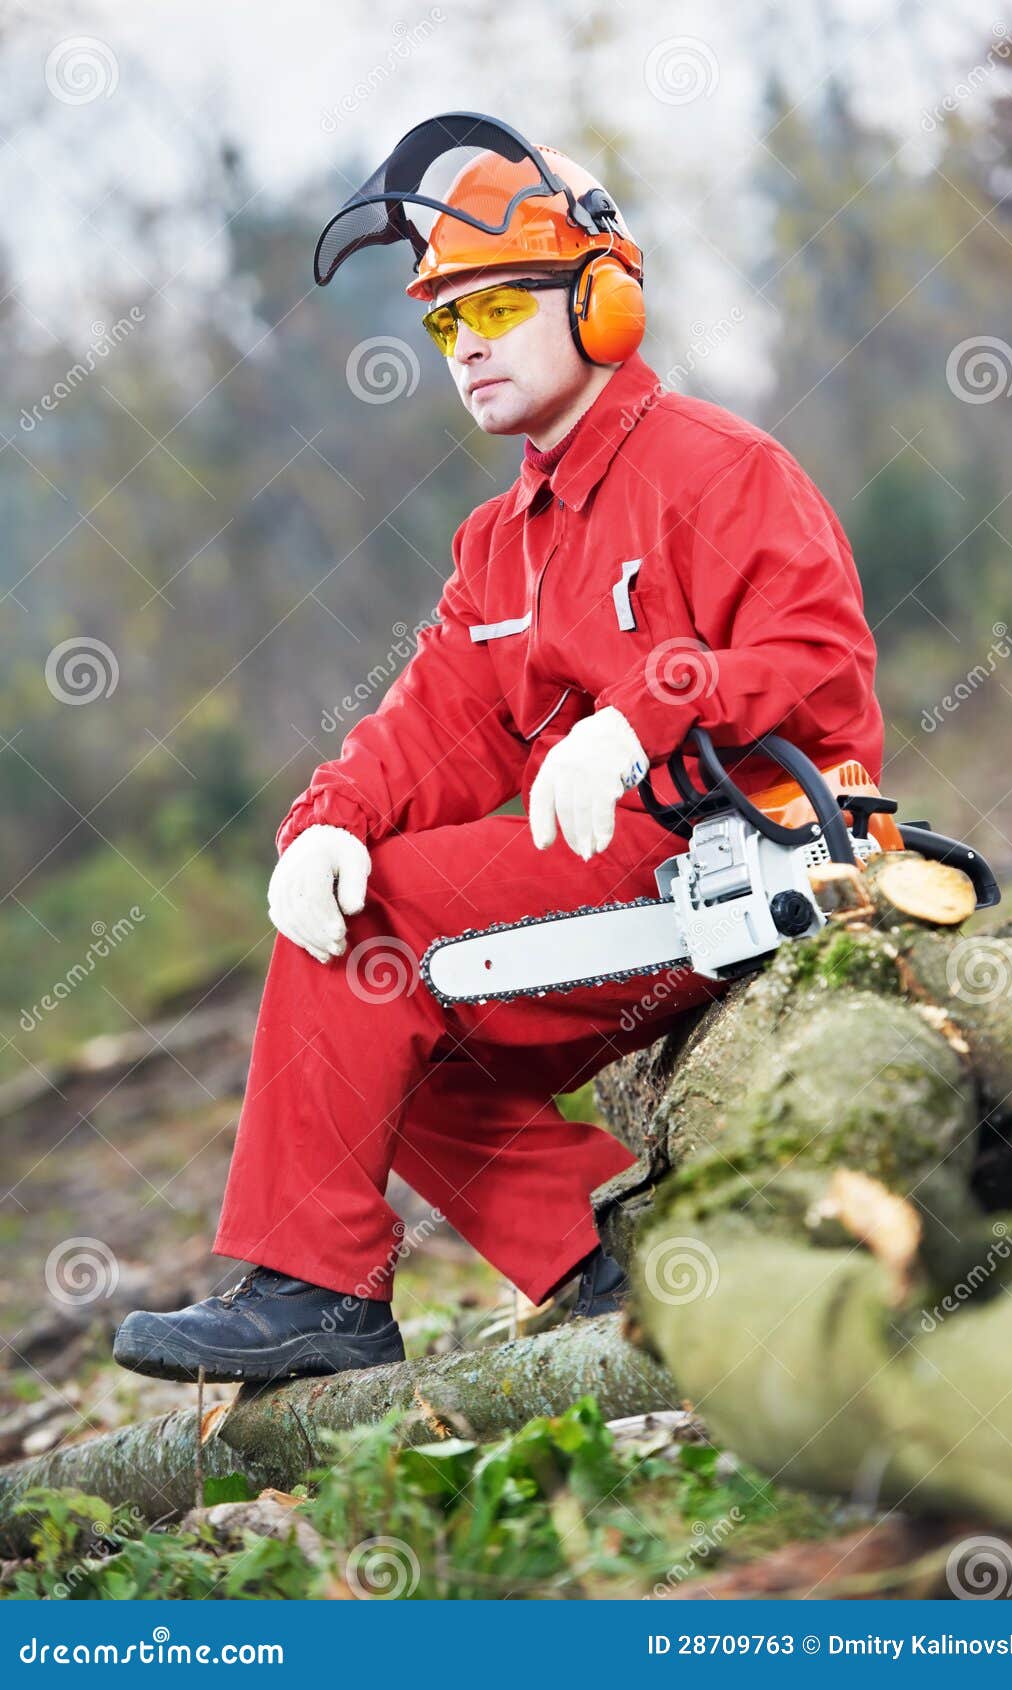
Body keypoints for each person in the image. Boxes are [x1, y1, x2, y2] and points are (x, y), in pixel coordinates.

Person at [113, 121, 883, 1385]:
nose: (465, 341)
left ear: (602, 299)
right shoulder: (501, 542)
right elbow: (438, 720)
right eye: (443, 320)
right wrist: (330, 819)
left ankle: (314, 1291)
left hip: (750, 852)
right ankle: (611, 1251)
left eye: (499, 304)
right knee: (365, 1000)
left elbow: (818, 663)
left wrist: (650, 709)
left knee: (379, 943)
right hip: (625, 883)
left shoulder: (718, 468)